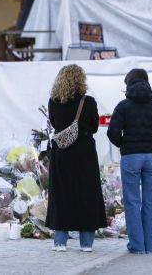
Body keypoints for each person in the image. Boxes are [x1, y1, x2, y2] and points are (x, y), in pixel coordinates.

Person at [107, 68, 152, 254]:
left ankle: (137, 246)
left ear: (128, 83)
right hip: (151, 158)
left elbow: (112, 132)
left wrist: (124, 144)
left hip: (130, 158)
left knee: (132, 202)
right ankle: (149, 247)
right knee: (151, 203)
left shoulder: (123, 106)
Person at [45, 64, 106, 253]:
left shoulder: (53, 101)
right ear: (81, 80)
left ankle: (60, 242)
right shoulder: (88, 102)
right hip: (84, 153)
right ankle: (86, 243)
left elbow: (54, 123)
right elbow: (94, 126)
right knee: (86, 194)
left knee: (61, 194)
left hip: (61, 154)